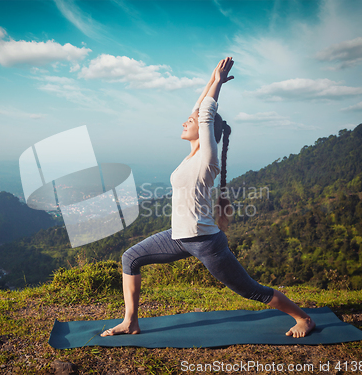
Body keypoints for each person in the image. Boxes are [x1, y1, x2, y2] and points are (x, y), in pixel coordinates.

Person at [101, 57, 316, 339]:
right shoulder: (192, 156)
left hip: (205, 242)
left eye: (190, 121)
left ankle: (303, 318)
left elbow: (204, 114)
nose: (184, 121)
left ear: (205, 133)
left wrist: (217, 85)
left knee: (250, 290)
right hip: (178, 237)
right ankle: (130, 321)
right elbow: (198, 109)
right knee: (130, 257)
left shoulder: (207, 158)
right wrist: (211, 80)